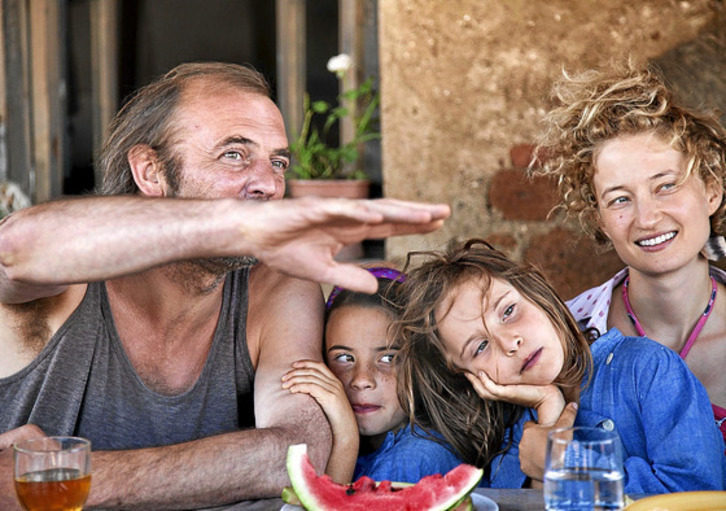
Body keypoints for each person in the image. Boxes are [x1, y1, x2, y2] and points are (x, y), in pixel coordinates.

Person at [0, 62, 450, 509]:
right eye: (234, 155)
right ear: (151, 172)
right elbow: (15, 249)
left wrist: (57, 480)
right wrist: (226, 225)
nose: (269, 185)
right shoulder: (65, 279)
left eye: (278, 162)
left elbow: (297, 454)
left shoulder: (275, 284)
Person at [394, 238, 725, 493]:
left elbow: (699, 493)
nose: (510, 343)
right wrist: (549, 408)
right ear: (467, 377)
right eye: (480, 347)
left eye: (508, 311)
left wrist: (570, 467)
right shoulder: (509, 441)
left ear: (537, 294)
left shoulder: (647, 368)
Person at [529, 61, 726, 445]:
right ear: (600, 220)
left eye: (666, 186)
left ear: (712, 191)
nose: (647, 218)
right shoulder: (564, 339)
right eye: (620, 199)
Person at [281, 266, 463, 485]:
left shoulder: (416, 457)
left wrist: (346, 435)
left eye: (388, 358)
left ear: (421, 365)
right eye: (344, 358)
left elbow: (331, 502)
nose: (362, 380)